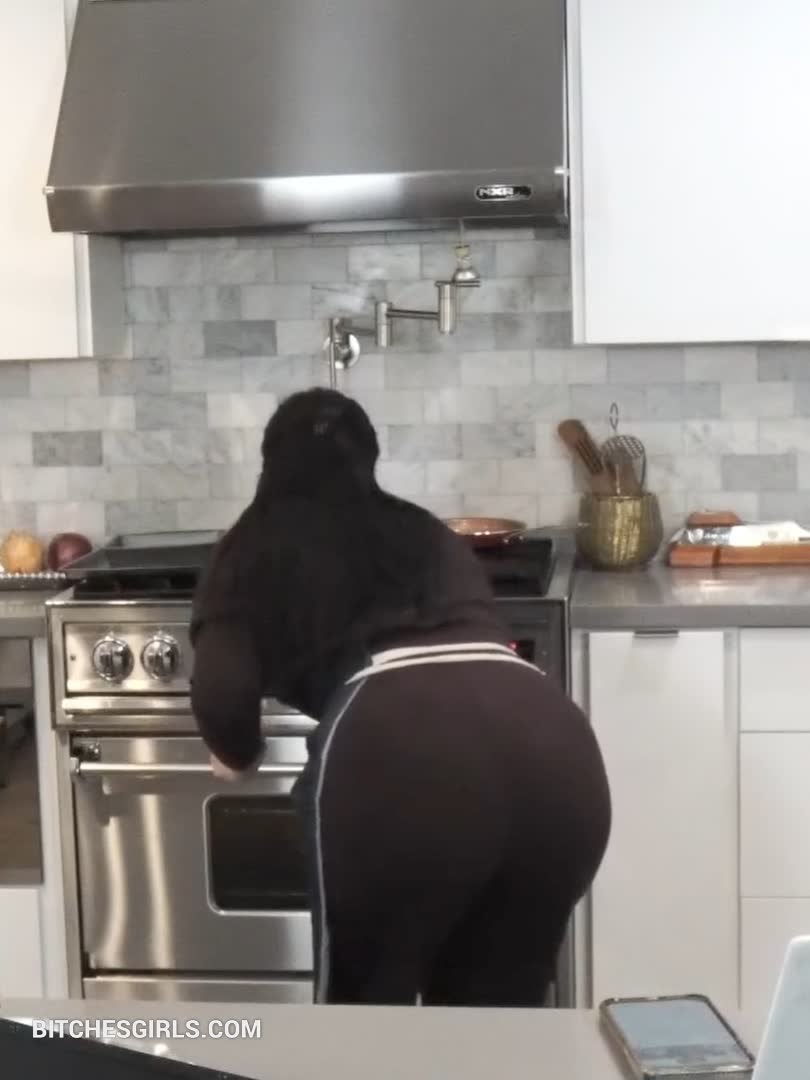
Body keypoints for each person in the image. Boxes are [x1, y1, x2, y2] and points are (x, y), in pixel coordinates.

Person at [190, 387, 611, 1007]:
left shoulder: (246, 546)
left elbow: (223, 690)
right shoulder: (423, 529)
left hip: (397, 757)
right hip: (552, 744)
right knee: (501, 1024)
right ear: (371, 456)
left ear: (268, 460)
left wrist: (236, 751)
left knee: (365, 1022)